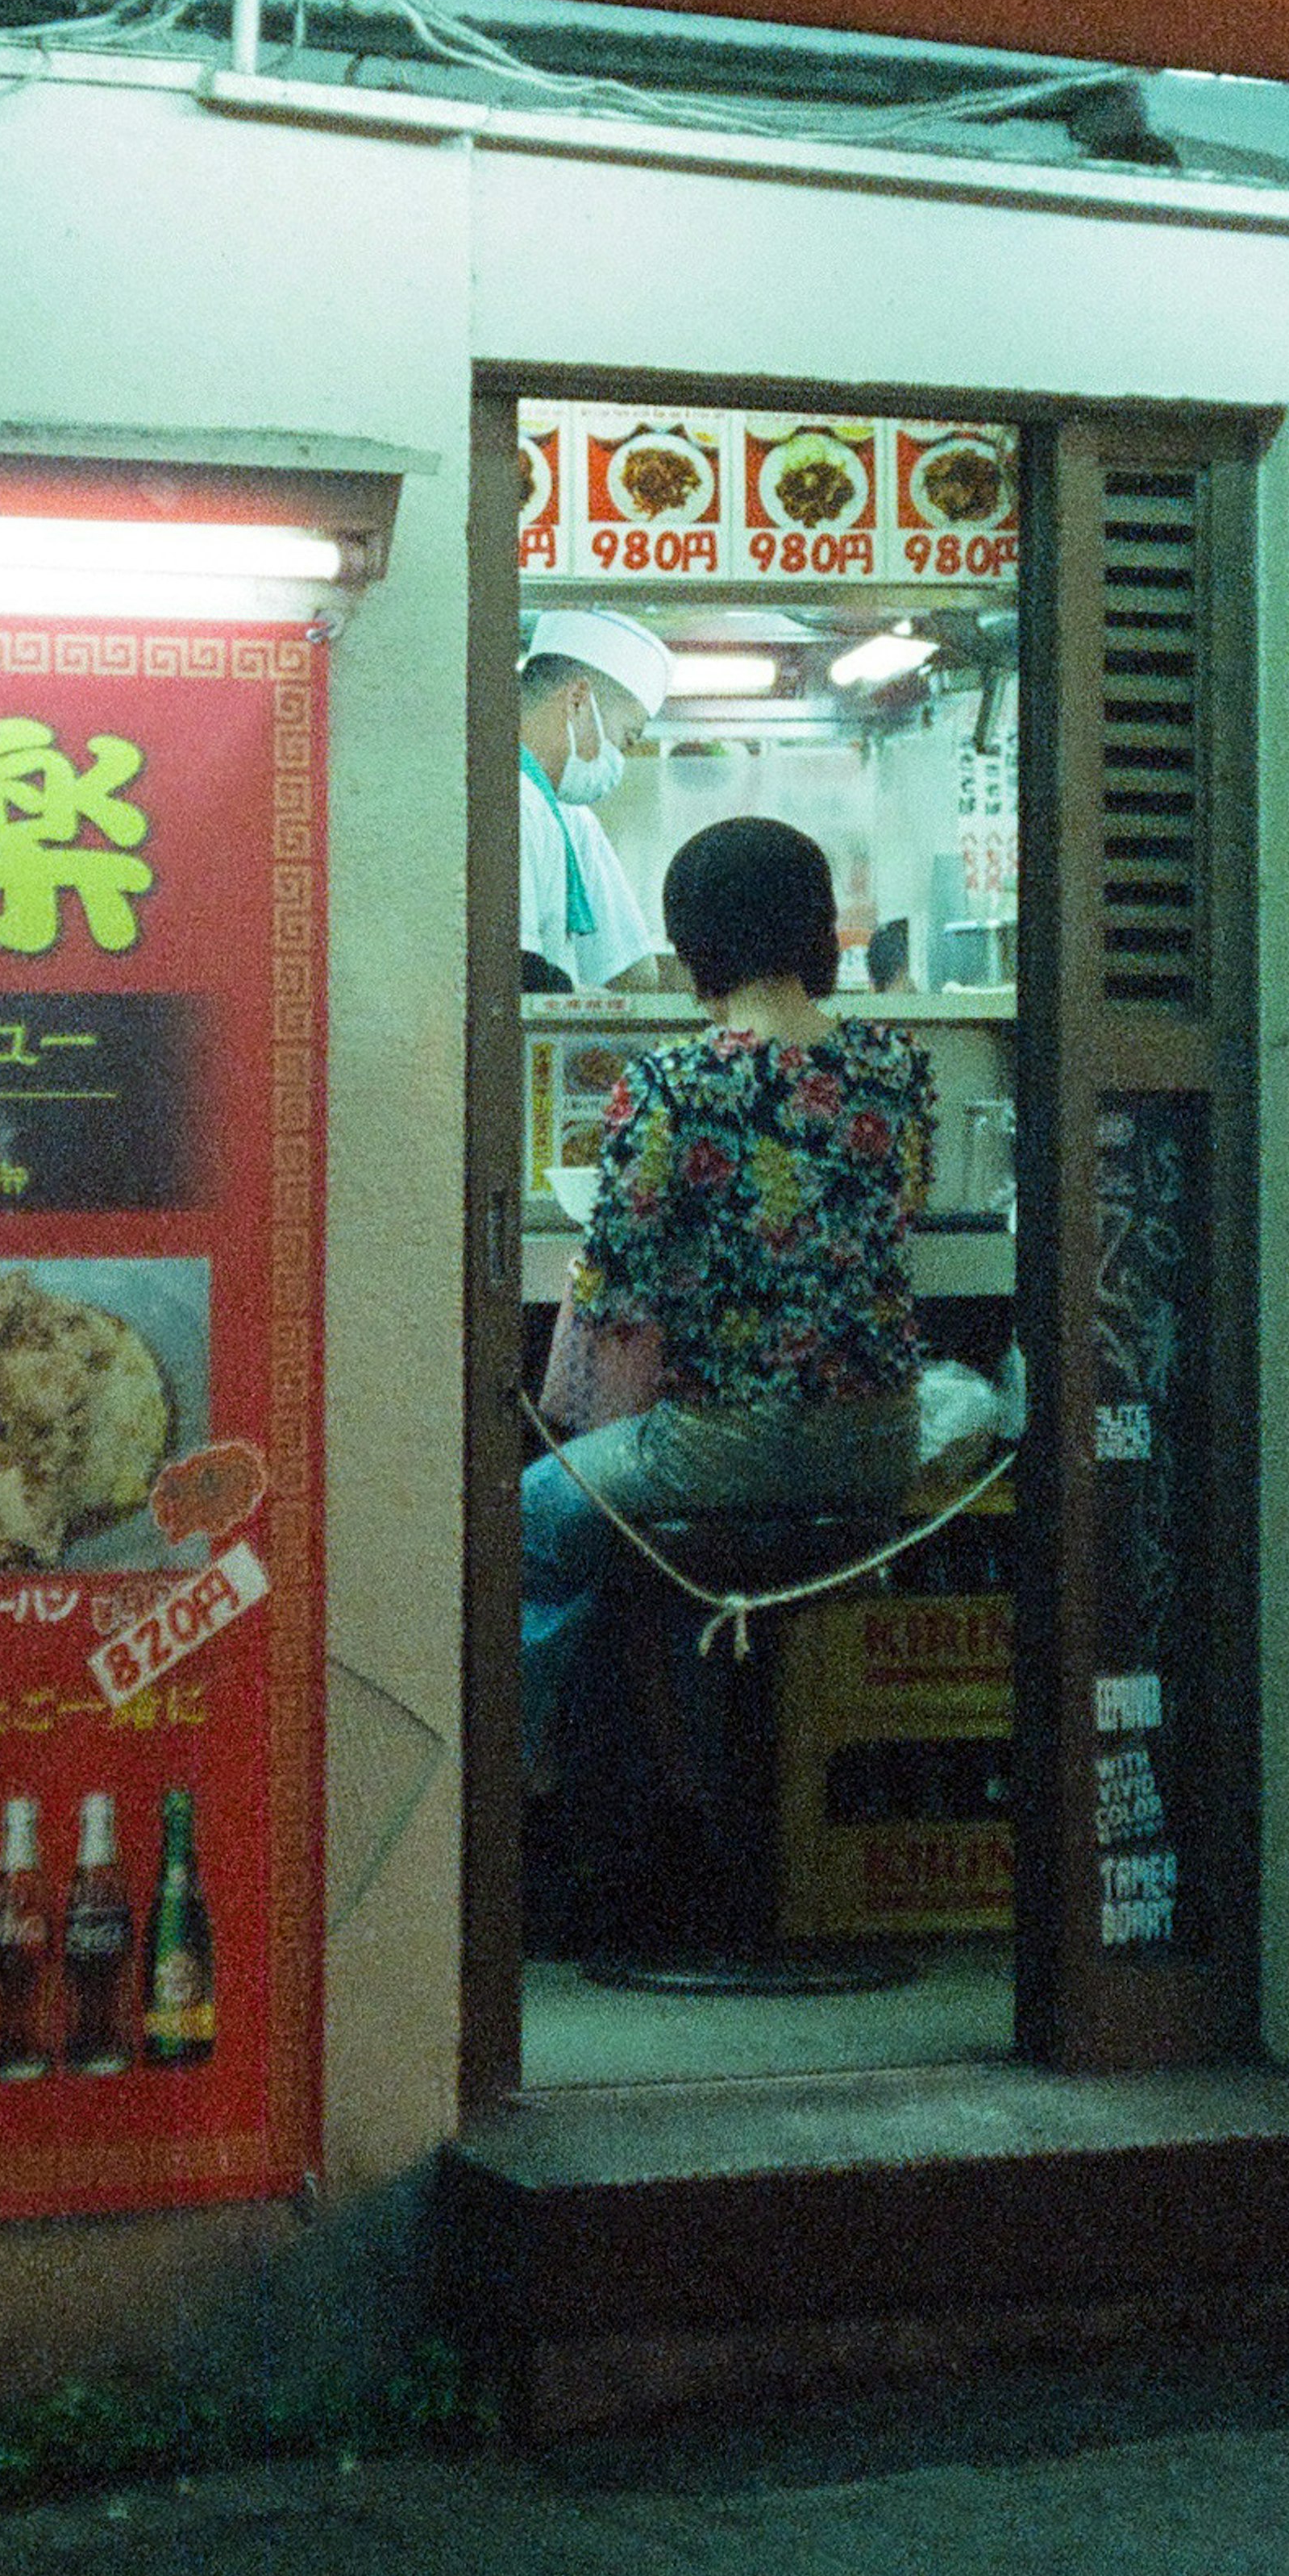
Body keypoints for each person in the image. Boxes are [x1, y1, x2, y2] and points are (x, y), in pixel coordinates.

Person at [520, 815, 935, 1866]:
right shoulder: (896, 1072)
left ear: (691, 937)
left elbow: (618, 1288)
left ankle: (545, 1795)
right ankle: (746, 1811)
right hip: (879, 1447)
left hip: (721, 1455)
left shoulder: (671, 1084)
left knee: (532, 1513)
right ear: (818, 929)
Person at [518, 610, 672, 986]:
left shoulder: (555, 809)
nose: (619, 754)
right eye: (628, 736)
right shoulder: (518, 803)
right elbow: (517, 972)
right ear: (576, 701)